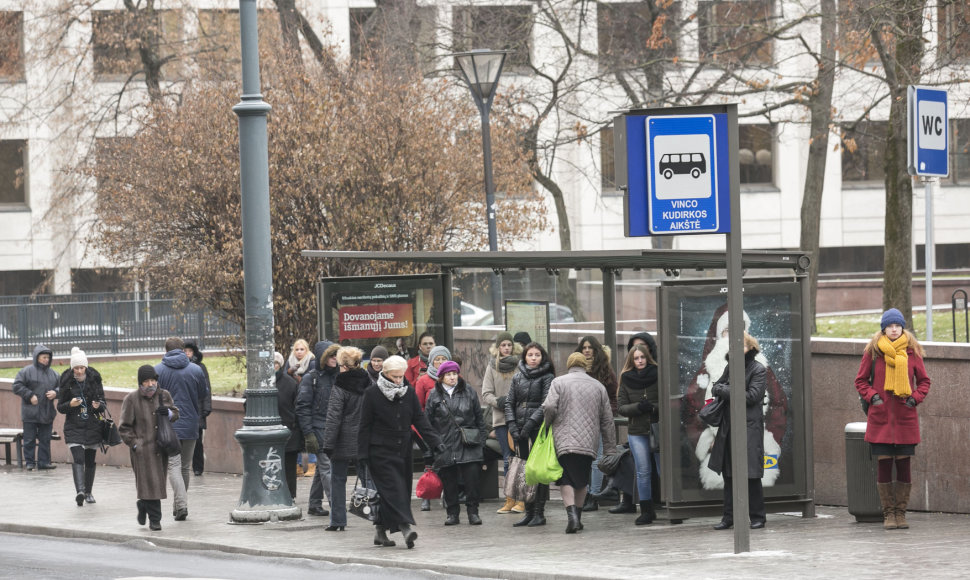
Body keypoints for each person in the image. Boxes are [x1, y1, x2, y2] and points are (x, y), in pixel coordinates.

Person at [685, 305, 787, 491]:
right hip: (720, 443)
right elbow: (693, 412)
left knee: (755, 483)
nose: (733, 336)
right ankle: (729, 517)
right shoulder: (706, 373)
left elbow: (778, 406)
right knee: (725, 482)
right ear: (718, 336)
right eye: (727, 331)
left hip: (755, 441)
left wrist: (769, 439)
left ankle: (753, 517)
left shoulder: (761, 369)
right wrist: (707, 442)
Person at [854, 308, 930, 530]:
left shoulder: (912, 352)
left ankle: (901, 513)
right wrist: (873, 397)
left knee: (904, 465)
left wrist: (914, 399)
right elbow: (860, 381)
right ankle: (889, 513)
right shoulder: (873, 352)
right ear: (883, 328)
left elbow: (924, 382)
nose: (894, 329)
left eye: (897, 326)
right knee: (885, 464)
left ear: (902, 327)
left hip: (905, 417)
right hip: (881, 418)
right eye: (890, 326)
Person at [358, 355, 443, 549]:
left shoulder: (408, 392)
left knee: (399, 491)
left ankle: (380, 532)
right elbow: (364, 426)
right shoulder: (372, 394)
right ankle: (406, 528)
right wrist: (361, 454)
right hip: (379, 452)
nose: (398, 380)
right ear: (385, 374)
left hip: (403, 451)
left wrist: (436, 442)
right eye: (394, 377)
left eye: (400, 376)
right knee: (393, 489)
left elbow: (420, 421)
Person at [543, 352, 618, 533]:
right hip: (588, 442)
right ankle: (578, 516)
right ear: (586, 366)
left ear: (569, 365)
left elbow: (549, 406)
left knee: (566, 478)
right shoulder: (598, 386)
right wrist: (609, 448)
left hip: (564, 439)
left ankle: (572, 517)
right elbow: (608, 419)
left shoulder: (558, 382)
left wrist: (547, 425)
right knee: (582, 480)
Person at [708, 331, 769, 531]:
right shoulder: (731, 366)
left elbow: (751, 396)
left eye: (741, 345)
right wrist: (724, 389)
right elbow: (715, 386)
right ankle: (729, 517)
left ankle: (758, 516)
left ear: (750, 347)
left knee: (751, 474)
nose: (737, 349)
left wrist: (725, 390)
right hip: (729, 426)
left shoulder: (758, 369)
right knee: (729, 473)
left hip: (749, 427)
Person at [425, 360, 487, 526]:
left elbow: (480, 419)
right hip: (445, 443)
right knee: (449, 481)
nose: (452, 378)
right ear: (441, 377)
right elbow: (428, 424)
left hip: (469, 443)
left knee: (472, 480)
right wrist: (432, 447)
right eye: (448, 375)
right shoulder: (434, 395)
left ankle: (473, 512)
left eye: (454, 374)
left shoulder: (469, 392)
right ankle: (452, 513)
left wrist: (481, 443)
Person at [119, 365, 179, 532]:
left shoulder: (164, 395)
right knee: (150, 484)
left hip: (161, 448)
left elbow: (175, 413)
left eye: (153, 380)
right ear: (140, 383)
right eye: (146, 381)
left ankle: (143, 505)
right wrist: (135, 444)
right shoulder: (131, 399)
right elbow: (124, 427)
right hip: (142, 451)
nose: (151, 384)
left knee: (156, 484)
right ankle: (155, 521)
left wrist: (167, 413)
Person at [155, 337, 208, 521]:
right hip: (192, 423)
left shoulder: (158, 370)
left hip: (169, 426)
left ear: (166, 350)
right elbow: (203, 393)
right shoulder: (195, 370)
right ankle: (180, 506)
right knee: (185, 467)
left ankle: (181, 504)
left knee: (173, 466)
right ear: (182, 349)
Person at [504, 342, 555, 527]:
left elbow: (545, 404)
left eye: (537, 355)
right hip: (519, 429)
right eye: (530, 355)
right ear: (524, 357)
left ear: (542, 357)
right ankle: (529, 511)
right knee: (525, 471)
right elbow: (509, 402)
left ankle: (539, 513)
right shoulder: (517, 377)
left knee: (537, 470)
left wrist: (530, 424)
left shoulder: (547, 377)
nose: (533, 358)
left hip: (536, 429)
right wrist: (512, 425)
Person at [321, 346, 371, 532]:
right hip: (363, 440)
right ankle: (376, 514)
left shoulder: (339, 386)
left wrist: (328, 444)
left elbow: (333, 417)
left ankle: (338, 521)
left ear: (343, 365)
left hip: (342, 441)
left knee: (338, 480)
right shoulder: (368, 382)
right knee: (368, 480)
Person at [56, 347, 106, 506]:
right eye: (76, 368)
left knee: (90, 460)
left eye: (81, 367)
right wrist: (70, 404)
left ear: (86, 366)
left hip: (92, 424)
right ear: (72, 368)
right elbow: (60, 407)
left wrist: (98, 405)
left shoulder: (94, 379)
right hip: (74, 426)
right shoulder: (66, 381)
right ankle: (80, 491)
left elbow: (103, 404)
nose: (78, 371)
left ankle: (89, 492)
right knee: (78, 458)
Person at [616, 344, 660, 524]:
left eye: (642, 357)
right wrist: (638, 408)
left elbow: (666, 399)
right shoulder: (626, 378)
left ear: (647, 358)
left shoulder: (658, 374)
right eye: (636, 358)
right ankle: (646, 510)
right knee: (643, 471)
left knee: (661, 469)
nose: (640, 361)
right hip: (637, 431)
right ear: (631, 360)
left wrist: (653, 407)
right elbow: (621, 407)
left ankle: (672, 505)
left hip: (657, 427)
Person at [481, 331, 524, 514]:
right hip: (501, 420)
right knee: (507, 460)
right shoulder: (492, 366)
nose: (506, 348)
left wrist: (515, 401)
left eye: (509, 345)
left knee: (521, 459)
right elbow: (486, 393)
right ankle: (509, 499)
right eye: (503, 345)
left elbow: (525, 388)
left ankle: (522, 500)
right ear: (497, 347)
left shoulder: (520, 365)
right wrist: (498, 401)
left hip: (520, 418)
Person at [574, 335, 617, 512]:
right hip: (578, 422)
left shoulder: (605, 370)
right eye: (584, 348)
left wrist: (605, 415)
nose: (587, 350)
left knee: (597, 461)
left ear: (596, 350)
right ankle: (581, 497)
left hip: (598, 422)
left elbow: (614, 399)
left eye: (590, 347)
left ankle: (593, 496)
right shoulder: (576, 371)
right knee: (581, 460)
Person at [297, 341, 338, 516]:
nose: (335, 359)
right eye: (331, 355)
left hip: (333, 428)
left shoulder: (338, 376)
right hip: (318, 428)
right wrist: (308, 433)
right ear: (323, 357)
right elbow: (302, 406)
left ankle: (314, 504)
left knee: (323, 468)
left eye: (336, 355)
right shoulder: (311, 378)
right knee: (327, 467)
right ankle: (336, 506)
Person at [12, 344, 59, 471]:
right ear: (37, 357)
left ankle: (43, 463)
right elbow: (16, 386)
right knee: (29, 439)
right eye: (43, 357)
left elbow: (62, 388)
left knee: (45, 439)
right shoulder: (26, 371)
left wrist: (56, 393)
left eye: (48, 357)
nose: (46, 360)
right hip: (30, 413)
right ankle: (30, 463)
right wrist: (29, 395)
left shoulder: (54, 374)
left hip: (47, 412)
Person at [273, 351, 302, 501]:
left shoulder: (290, 383)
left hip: (289, 430)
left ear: (280, 365)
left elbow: (297, 407)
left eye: (276, 363)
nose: (273, 367)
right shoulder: (260, 382)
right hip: (270, 431)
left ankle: (290, 494)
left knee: (289, 464)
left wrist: (294, 425)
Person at [183, 340, 212, 477]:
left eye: (190, 351)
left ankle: (198, 467)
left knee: (198, 440)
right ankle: (185, 465)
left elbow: (206, 388)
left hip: (198, 408)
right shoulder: (181, 367)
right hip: (185, 407)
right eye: (185, 351)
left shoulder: (200, 367)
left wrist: (207, 407)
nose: (187, 354)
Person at [415, 344, 451, 409]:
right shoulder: (422, 381)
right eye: (437, 359)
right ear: (432, 361)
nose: (441, 362)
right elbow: (419, 407)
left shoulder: (456, 378)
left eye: (444, 359)